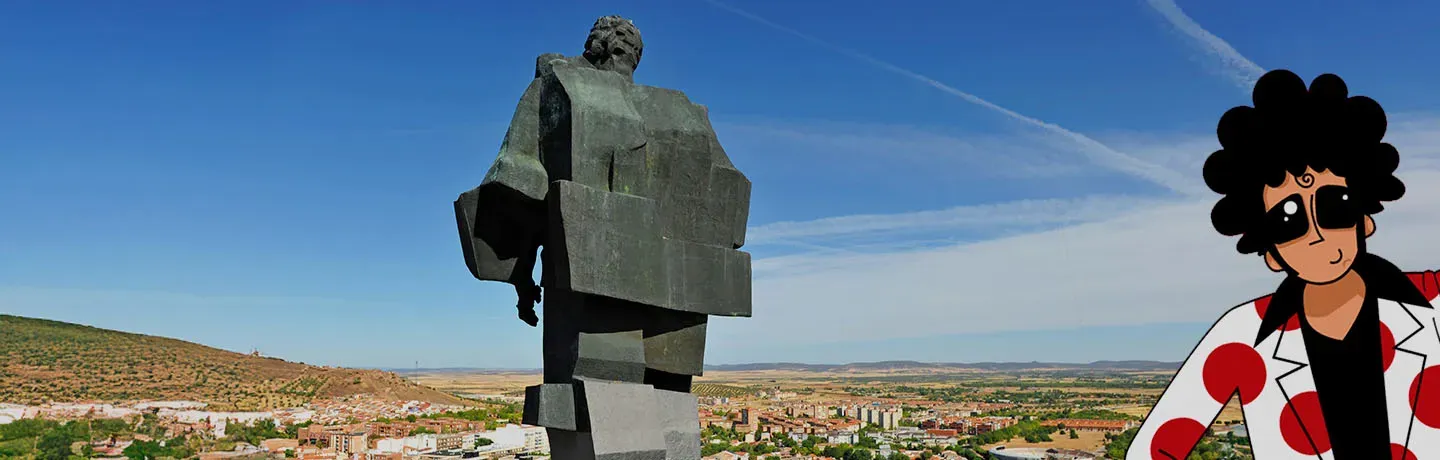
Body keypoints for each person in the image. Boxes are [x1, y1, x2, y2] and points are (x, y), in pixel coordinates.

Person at [1126, 69, 1440, 459]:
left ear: (1365, 219)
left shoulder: (1434, 303)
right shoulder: (1241, 337)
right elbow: (1154, 448)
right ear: (1271, 253)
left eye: (1335, 206)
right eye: (1288, 221)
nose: (1317, 233)